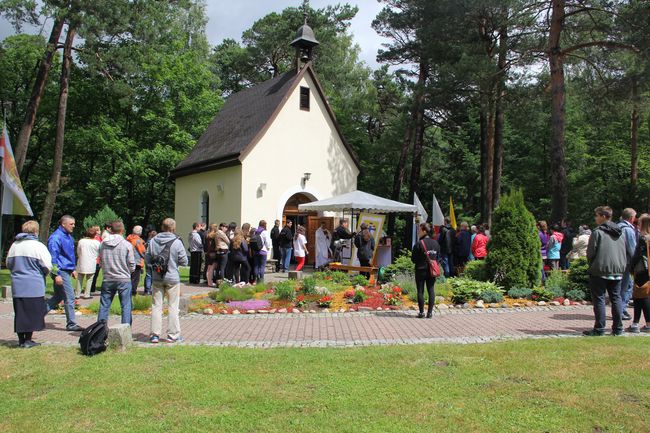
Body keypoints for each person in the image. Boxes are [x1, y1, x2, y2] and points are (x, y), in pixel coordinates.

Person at [7, 220, 52, 348]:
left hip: (17, 284)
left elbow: (9, 264)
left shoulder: (15, 245)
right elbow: (46, 266)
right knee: (32, 312)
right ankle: (28, 340)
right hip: (33, 284)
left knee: (20, 312)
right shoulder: (38, 246)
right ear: (36, 231)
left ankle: (21, 340)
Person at [583, 206, 627, 336]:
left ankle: (600, 328)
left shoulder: (598, 232)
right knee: (616, 298)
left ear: (603, 216)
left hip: (600, 270)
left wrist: (592, 265)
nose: (595, 218)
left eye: (596, 215)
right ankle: (618, 328)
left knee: (599, 299)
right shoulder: (620, 232)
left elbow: (590, 253)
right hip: (617, 270)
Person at [146, 218, 188, 343]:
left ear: (162, 227)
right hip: (172, 277)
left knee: (156, 306)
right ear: (173, 228)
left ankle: (154, 335)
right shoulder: (177, 242)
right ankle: (173, 335)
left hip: (157, 278)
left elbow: (147, 259)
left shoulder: (153, 241)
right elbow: (184, 261)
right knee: (173, 306)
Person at [46, 215, 83, 332]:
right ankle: (71, 323)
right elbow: (53, 257)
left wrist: (72, 268)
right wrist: (56, 274)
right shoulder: (56, 237)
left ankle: (36, 315)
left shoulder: (68, 237)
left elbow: (69, 255)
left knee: (58, 297)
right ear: (63, 224)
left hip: (66, 270)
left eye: (74, 223)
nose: (74, 226)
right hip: (60, 271)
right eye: (71, 224)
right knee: (69, 297)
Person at [98, 221, 135, 325]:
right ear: (122, 230)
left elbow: (100, 261)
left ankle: (100, 331)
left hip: (107, 278)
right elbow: (132, 264)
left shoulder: (103, 244)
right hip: (123, 278)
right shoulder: (126, 244)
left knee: (104, 305)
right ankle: (125, 330)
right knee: (126, 305)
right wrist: (128, 271)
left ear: (110, 229)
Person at [411, 223, 441, 319]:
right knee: (431, 290)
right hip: (432, 270)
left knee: (420, 291)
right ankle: (430, 313)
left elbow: (413, 259)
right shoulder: (436, 243)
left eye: (419, 230)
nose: (418, 232)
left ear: (424, 231)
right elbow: (438, 258)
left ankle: (421, 312)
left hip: (420, 269)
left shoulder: (419, 243)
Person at [628, 213, 650, 333]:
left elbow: (637, 256)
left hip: (642, 270)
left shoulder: (643, 238)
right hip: (648, 271)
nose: (637, 224)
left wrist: (630, 267)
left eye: (640, 222)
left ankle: (638, 323)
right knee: (645, 296)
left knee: (640, 296)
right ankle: (642, 323)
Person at [618, 208, 638, 321]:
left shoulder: (617, 226)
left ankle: (620, 309)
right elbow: (632, 249)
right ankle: (620, 310)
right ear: (632, 218)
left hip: (618, 261)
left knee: (622, 286)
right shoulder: (628, 230)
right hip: (626, 262)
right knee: (626, 286)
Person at [75, 227, 100, 299]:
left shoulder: (81, 241)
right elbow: (98, 253)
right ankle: (87, 294)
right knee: (89, 279)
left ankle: (77, 294)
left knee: (79, 278)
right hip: (91, 262)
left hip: (82, 261)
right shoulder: (97, 243)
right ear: (95, 235)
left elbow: (78, 251)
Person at [126, 225, 146, 296]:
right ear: (140, 232)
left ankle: (128, 291)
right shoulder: (138, 240)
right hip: (137, 262)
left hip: (128, 261)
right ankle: (133, 292)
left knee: (129, 277)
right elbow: (142, 251)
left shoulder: (128, 238)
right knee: (135, 279)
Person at [89, 225, 103, 294]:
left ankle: (92, 288)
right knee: (94, 275)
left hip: (94, 259)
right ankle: (91, 289)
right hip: (97, 259)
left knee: (93, 275)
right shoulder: (97, 239)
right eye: (98, 230)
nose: (100, 231)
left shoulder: (93, 238)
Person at [143, 230, 157, 295]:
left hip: (147, 259)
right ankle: (151, 289)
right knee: (154, 275)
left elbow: (144, 250)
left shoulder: (147, 242)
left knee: (148, 275)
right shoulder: (156, 242)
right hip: (154, 260)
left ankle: (147, 290)